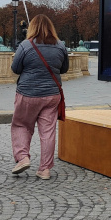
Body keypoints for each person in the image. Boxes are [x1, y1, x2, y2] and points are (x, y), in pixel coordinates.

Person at [10, 14, 69, 180]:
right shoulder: (60, 46)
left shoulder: (25, 45)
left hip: (27, 94)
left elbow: (15, 69)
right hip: (52, 95)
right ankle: (45, 169)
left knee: (21, 125)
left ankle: (23, 158)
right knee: (48, 132)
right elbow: (64, 69)